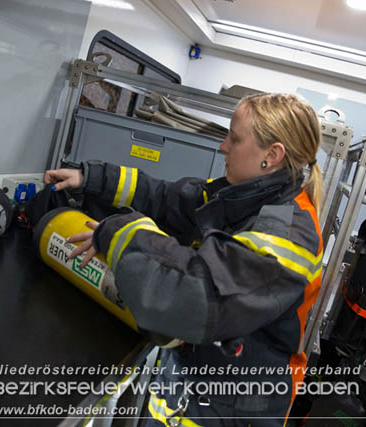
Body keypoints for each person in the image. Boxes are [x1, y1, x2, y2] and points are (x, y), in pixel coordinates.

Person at [44, 93, 324, 426]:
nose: (223, 146)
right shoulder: (242, 197)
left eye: (234, 138)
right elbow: (165, 198)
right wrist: (92, 178)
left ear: (272, 155)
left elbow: (192, 296)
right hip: (195, 385)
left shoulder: (286, 231)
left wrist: (120, 231)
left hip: (233, 408)